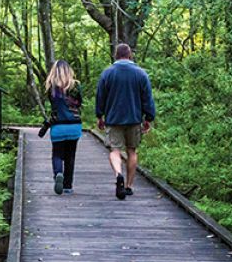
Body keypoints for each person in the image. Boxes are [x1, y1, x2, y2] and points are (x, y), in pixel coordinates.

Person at [95, 44, 155, 200]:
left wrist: (99, 116)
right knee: (132, 151)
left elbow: (100, 96)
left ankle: (118, 174)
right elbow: (147, 98)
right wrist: (148, 118)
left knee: (115, 150)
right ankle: (128, 186)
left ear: (115, 55)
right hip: (134, 119)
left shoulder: (107, 73)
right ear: (130, 56)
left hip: (114, 119)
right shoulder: (141, 74)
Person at [44, 60, 83, 195]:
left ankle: (58, 173)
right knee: (70, 156)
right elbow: (79, 103)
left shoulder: (51, 87)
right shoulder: (76, 86)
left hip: (58, 125)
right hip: (74, 125)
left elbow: (53, 104)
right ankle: (68, 186)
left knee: (57, 154)